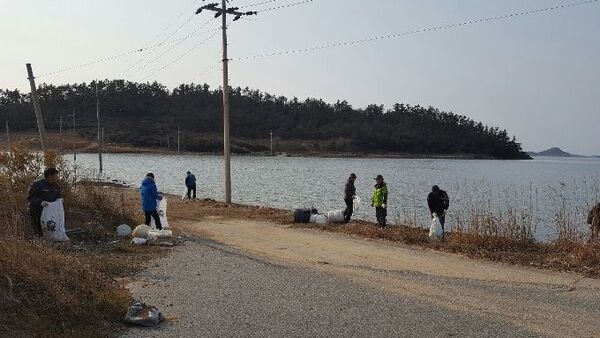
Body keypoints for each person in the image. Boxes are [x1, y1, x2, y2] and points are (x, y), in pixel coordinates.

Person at [27, 167, 62, 237]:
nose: (56, 178)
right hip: (36, 211)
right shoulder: (36, 184)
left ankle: (49, 240)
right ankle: (39, 243)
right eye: (55, 176)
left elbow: (58, 195)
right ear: (49, 176)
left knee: (50, 228)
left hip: (49, 212)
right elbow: (30, 197)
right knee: (38, 230)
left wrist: (60, 199)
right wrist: (41, 202)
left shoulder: (55, 185)